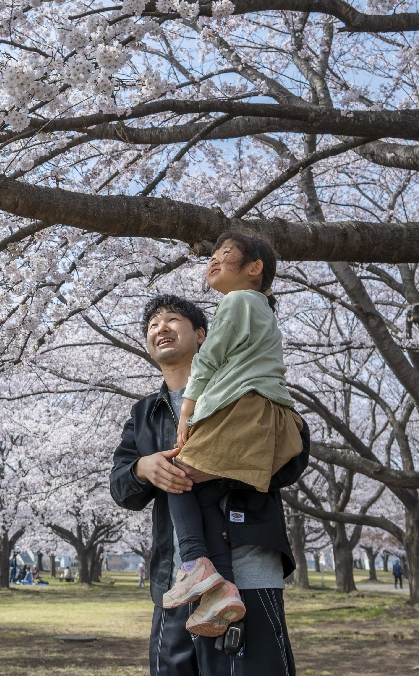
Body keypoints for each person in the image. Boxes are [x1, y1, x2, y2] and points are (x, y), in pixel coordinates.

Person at [111, 292, 309, 676]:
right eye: (152, 325)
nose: (160, 328)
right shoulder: (144, 413)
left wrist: (222, 464)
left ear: (202, 335)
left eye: (171, 320)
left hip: (248, 570)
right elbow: (121, 487)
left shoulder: (244, 388)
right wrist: (144, 469)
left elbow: (293, 454)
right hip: (178, 581)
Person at [163, 234, 304, 637]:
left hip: (243, 411)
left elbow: (208, 357)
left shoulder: (238, 301)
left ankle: (194, 566)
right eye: (212, 255)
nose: (213, 260)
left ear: (254, 268)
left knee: (175, 475)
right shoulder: (258, 309)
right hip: (264, 415)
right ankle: (221, 591)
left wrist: (187, 410)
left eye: (225, 255)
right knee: (204, 493)